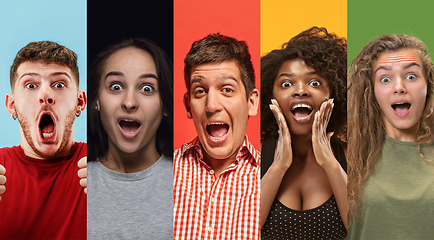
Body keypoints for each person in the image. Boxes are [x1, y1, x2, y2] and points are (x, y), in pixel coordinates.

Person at [260, 27, 348, 239]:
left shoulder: (350, 154)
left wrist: (331, 164)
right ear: (271, 95)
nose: (300, 90)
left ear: (333, 92)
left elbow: (366, 232)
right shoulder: (255, 154)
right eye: (287, 83)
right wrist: (278, 167)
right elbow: (241, 231)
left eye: (314, 82)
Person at [173, 33, 260, 239]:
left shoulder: (274, 181)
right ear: (188, 106)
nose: (211, 105)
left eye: (227, 89)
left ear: (251, 102)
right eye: (200, 91)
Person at [347, 34, 434, 239]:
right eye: (385, 79)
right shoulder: (347, 156)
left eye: (411, 76)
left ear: (428, 85)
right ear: (372, 91)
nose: (399, 87)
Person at [86, 38, 173, 239]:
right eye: (116, 87)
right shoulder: (72, 184)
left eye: (147, 88)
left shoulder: (190, 184)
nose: (130, 102)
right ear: (97, 99)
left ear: (166, 105)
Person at [0, 41, 87, 239]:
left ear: (80, 102)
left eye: (59, 84)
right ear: (11, 105)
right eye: (31, 85)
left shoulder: (108, 165)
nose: (46, 95)